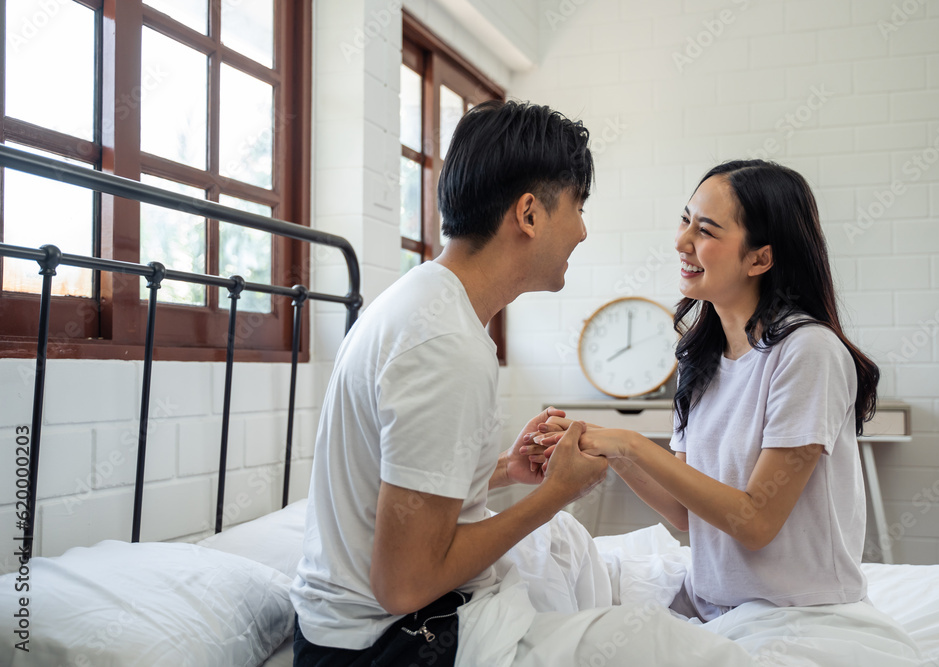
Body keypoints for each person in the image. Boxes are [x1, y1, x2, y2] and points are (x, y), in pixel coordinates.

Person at [288, 100, 611, 665]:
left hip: (353, 633)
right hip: (384, 646)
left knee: (574, 566)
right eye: (578, 207)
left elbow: (402, 489)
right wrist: (557, 495)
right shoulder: (446, 346)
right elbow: (405, 585)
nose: (583, 231)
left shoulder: (424, 305)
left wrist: (507, 471)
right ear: (530, 215)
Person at [528, 160, 882, 622]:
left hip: (791, 614)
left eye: (707, 230)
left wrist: (630, 442)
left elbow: (754, 523)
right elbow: (684, 513)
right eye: (685, 219)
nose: (681, 241)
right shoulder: (700, 357)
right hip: (709, 603)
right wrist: (603, 446)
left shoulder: (808, 351)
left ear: (760, 258)